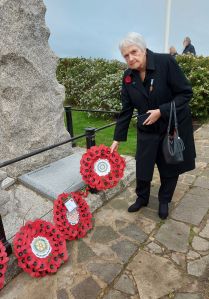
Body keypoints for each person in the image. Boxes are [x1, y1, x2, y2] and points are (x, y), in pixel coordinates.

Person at [110, 32, 196, 219]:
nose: (131, 58)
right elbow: (126, 109)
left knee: (169, 166)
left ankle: (164, 200)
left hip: (170, 127)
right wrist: (117, 138)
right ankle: (142, 198)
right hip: (146, 128)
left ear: (144, 49)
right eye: (126, 55)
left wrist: (161, 111)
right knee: (143, 165)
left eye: (134, 52)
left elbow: (185, 94)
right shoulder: (128, 77)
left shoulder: (166, 63)